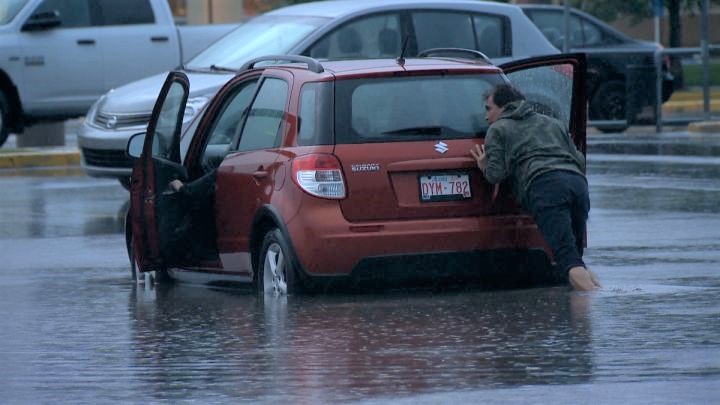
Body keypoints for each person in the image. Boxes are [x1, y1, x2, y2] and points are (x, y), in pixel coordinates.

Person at [470, 84, 600, 291]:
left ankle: (598, 305)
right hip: (577, 186)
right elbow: (580, 160)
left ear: (504, 107)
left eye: (488, 108)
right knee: (574, 255)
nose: (486, 116)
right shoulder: (552, 123)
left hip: (545, 187)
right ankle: (590, 302)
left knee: (569, 260)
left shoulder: (498, 129)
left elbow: (496, 175)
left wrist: (484, 165)